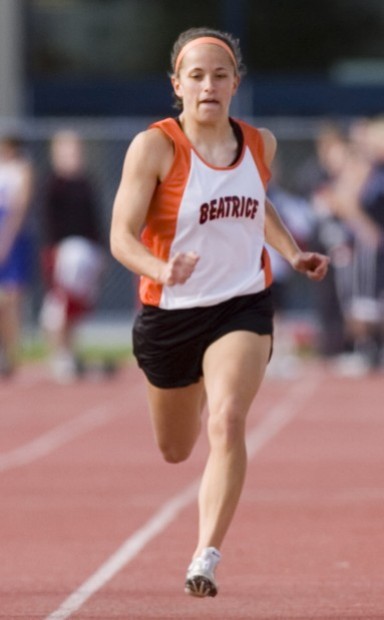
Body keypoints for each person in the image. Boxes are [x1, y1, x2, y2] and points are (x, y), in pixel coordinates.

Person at [110, 27, 329, 598]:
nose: (209, 85)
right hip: (171, 313)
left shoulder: (261, 144)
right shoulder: (154, 147)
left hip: (241, 305)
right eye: (197, 75)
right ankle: (199, 379)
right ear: (177, 84)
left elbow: (257, 204)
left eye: (220, 74)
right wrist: (161, 271)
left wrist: (291, 253)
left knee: (228, 418)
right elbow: (120, 236)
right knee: (176, 450)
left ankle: (205, 556)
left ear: (236, 83)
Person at [39, 130, 105, 382]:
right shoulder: (53, 185)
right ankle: (58, 353)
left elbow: (94, 219)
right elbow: (49, 223)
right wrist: (54, 252)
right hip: (63, 252)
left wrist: (99, 251)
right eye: (66, 151)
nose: (72, 156)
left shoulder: (87, 183)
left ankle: (69, 351)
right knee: (58, 305)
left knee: (76, 307)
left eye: (75, 150)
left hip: (86, 252)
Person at [0, 135, 34, 377]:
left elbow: (19, 207)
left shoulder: (21, 169)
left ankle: (12, 354)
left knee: (11, 299)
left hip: (13, 238)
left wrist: (6, 239)